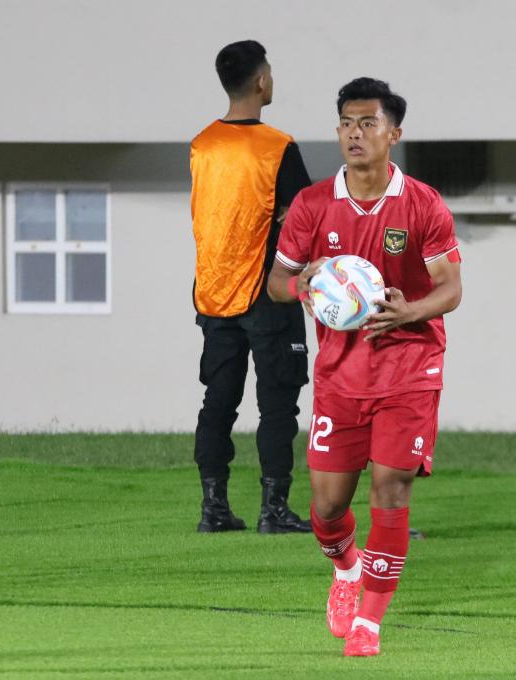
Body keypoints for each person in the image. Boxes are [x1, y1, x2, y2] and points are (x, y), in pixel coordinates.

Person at [267, 77, 463, 656]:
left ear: (393, 134)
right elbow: (278, 283)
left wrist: (410, 313)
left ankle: (369, 624)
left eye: (368, 124)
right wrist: (302, 281)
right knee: (327, 508)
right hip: (341, 375)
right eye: (347, 124)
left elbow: (450, 290)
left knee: (391, 489)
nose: (355, 134)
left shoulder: (423, 203)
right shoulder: (312, 205)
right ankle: (347, 570)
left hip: (410, 365)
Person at [190, 40, 313, 534]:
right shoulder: (277, 146)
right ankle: (273, 509)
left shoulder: (201, 144)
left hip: (214, 289)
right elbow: (303, 217)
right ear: (261, 81)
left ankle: (213, 508)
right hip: (268, 290)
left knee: (218, 400)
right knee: (278, 399)